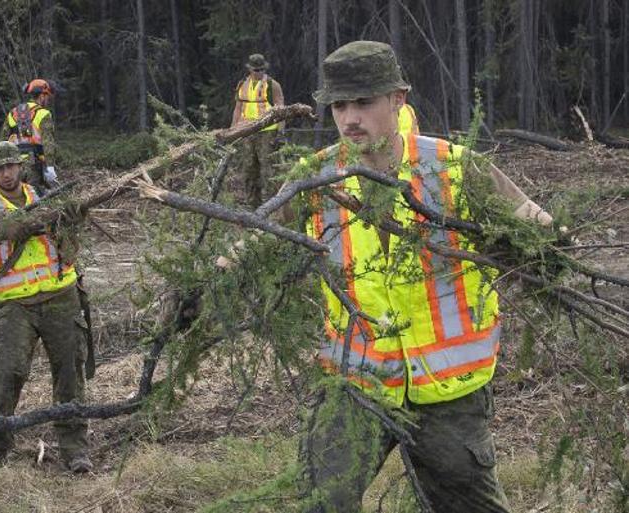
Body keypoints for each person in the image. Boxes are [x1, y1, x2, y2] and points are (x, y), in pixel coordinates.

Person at [298, 41, 552, 513]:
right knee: (322, 503)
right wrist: (211, 277)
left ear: (397, 99)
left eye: (363, 103)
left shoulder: (454, 167)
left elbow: (536, 229)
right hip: (355, 382)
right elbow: (256, 247)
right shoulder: (315, 179)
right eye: (339, 105)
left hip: (448, 391)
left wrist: (549, 250)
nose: (349, 118)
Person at [0, 141, 91, 473]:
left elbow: (76, 222)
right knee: (8, 374)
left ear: (20, 166)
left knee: (69, 373)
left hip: (61, 296)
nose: (6, 173)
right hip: (16, 306)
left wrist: (74, 220)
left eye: (11, 166)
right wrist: (0, 229)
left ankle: (74, 450)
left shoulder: (47, 194)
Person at [230, 53, 286, 208]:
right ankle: (252, 207)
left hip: (268, 132)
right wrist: (232, 131)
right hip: (247, 133)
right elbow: (238, 108)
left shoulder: (272, 85)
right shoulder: (242, 84)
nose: (258, 72)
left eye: (261, 69)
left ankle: (273, 207)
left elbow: (281, 109)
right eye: (256, 69)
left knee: (269, 171)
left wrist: (280, 132)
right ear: (250, 69)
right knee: (249, 170)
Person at [0, 78, 60, 193]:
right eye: (47, 96)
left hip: (14, 166)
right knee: (37, 198)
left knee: (17, 198)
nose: (48, 100)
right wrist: (50, 167)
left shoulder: (13, 113)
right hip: (34, 166)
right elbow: (48, 143)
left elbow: (2, 142)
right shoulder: (44, 114)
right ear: (42, 96)